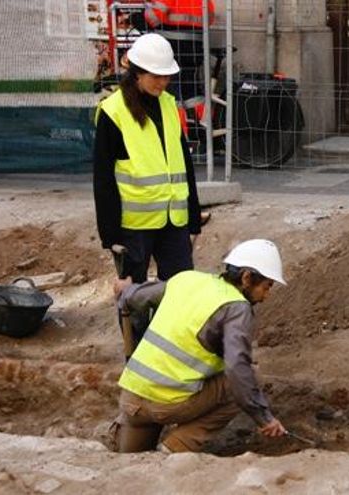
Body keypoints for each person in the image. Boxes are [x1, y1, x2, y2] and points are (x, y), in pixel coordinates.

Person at [112, 239, 288, 453]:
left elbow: (134, 297)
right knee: (247, 378)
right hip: (167, 405)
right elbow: (237, 369)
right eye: (266, 286)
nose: (266, 296)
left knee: (131, 461)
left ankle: (130, 448)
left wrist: (125, 290)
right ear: (246, 277)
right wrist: (265, 419)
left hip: (132, 401)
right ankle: (175, 447)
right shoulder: (236, 308)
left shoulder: (189, 280)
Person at [94, 33, 202, 283]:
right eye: (156, 75)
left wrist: (193, 217)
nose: (163, 82)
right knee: (134, 299)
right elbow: (103, 179)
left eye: (167, 75)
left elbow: (184, 163)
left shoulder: (168, 104)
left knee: (180, 290)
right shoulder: (114, 111)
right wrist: (110, 236)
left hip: (174, 220)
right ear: (137, 73)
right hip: (134, 226)